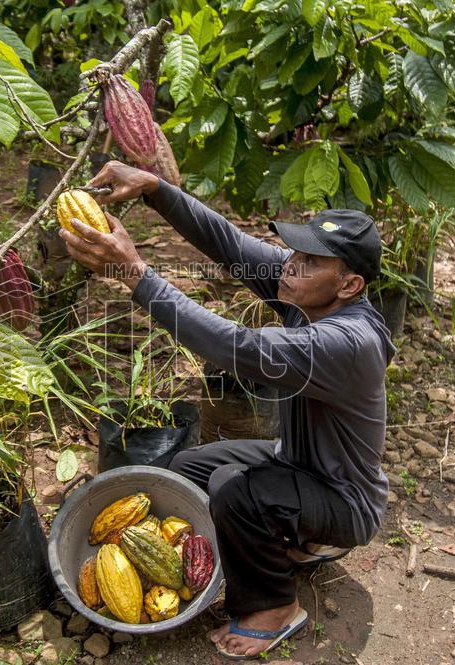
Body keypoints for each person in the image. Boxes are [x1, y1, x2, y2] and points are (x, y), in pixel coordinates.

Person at [59, 160, 395, 660]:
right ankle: (300, 540)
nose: (290, 264)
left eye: (310, 261)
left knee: (233, 493)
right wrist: (155, 188)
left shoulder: (347, 341)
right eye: (295, 251)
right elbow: (230, 245)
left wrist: (135, 273)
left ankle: (276, 607)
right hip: (297, 462)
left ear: (349, 286)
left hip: (346, 499)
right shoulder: (312, 294)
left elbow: (237, 347)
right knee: (184, 470)